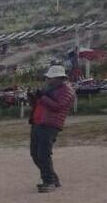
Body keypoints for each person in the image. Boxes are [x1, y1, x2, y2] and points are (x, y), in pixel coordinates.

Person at [28, 64, 75, 193]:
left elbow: (58, 106)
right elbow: (40, 104)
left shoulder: (67, 90)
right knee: (35, 153)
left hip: (50, 125)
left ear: (59, 78)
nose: (48, 80)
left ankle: (49, 181)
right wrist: (33, 99)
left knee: (43, 153)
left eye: (50, 78)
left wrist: (42, 97)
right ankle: (53, 179)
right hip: (38, 122)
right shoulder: (50, 88)